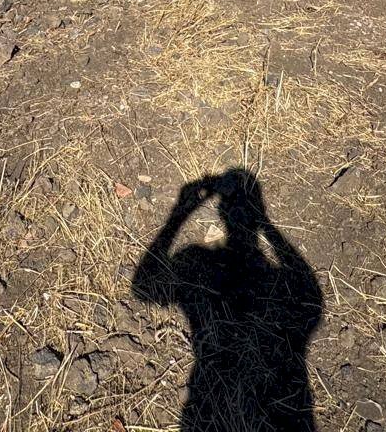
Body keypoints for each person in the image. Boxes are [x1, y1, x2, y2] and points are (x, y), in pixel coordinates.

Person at [132, 169, 323, 431]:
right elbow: (309, 295)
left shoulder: (196, 260)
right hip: (283, 409)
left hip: (206, 399)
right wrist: (266, 224)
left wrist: (178, 215)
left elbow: (143, 287)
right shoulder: (277, 282)